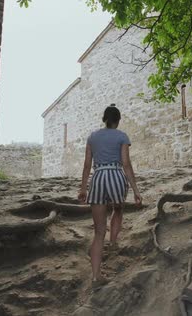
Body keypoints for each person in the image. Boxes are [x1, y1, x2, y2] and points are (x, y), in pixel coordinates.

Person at [78, 104, 142, 289]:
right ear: (118, 120)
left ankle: (96, 276)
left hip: (98, 178)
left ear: (104, 119)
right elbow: (126, 164)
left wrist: (83, 188)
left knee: (98, 232)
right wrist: (136, 191)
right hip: (115, 176)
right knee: (118, 208)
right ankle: (113, 242)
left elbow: (86, 165)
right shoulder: (122, 136)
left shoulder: (92, 137)